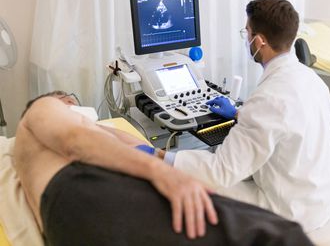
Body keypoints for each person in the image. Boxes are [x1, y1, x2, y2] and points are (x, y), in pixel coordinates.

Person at [13, 91, 312, 245]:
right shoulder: (43, 109)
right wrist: (167, 174)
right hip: (86, 192)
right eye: (69, 100)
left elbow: (108, 140)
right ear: (62, 100)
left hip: (72, 218)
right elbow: (75, 139)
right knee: (273, 236)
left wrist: (153, 154)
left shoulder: (35, 154)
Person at [159, 0, 330, 234]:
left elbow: (220, 171)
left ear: (260, 41)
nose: (246, 40)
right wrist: (237, 113)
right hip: (318, 199)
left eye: (247, 33)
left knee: (198, 183)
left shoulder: (271, 96)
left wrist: (163, 157)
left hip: (288, 210)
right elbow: (285, 120)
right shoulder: (311, 79)